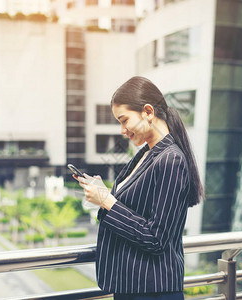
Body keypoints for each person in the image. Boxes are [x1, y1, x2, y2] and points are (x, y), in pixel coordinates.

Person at [74, 76, 204, 300]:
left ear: (148, 112)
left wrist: (106, 200)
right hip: (133, 287)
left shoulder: (170, 159)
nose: (122, 130)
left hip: (152, 290)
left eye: (124, 120)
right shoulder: (146, 155)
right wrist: (103, 194)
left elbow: (155, 238)